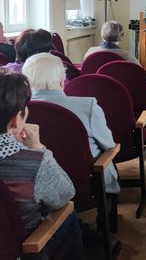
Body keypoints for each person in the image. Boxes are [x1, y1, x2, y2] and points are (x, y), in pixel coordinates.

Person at [0, 70, 84, 258]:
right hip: (26, 247)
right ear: (16, 120)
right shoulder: (34, 163)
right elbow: (65, 195)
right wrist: (39, 149)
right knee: (68, 213)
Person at [21, 53, 120, 195]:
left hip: (36, 186)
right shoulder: (88, 106)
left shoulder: (17, 111)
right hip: (87, 182)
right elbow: (109, 145)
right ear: (62, 80)